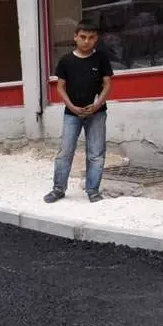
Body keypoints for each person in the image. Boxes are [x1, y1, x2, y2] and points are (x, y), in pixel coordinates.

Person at [44, 19, 113, 204]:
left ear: (96, 38)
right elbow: (60, 87)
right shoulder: (66, 61)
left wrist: (97, 105)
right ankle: (58, 189)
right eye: (82, 37)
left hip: (97, 113)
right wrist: (72, 107)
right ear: (75, 37)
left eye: (91, 37)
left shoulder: (101, 59)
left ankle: (93, 190)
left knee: (96, 153)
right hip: (72, 114)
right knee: (65, 152)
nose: (86, 41)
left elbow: (107, 84)